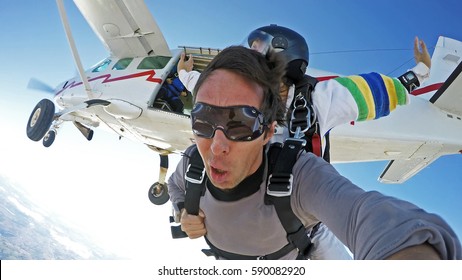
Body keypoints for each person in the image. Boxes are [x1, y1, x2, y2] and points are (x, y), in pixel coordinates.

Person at [168, 45, 461, 260]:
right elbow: (210, 92)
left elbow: (374, 92)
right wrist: (183, 210)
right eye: (204, 120)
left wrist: (420, 74)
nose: (219, 143)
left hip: (304, 215)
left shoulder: (320, 100)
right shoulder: (197, 155)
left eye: (242, 122)